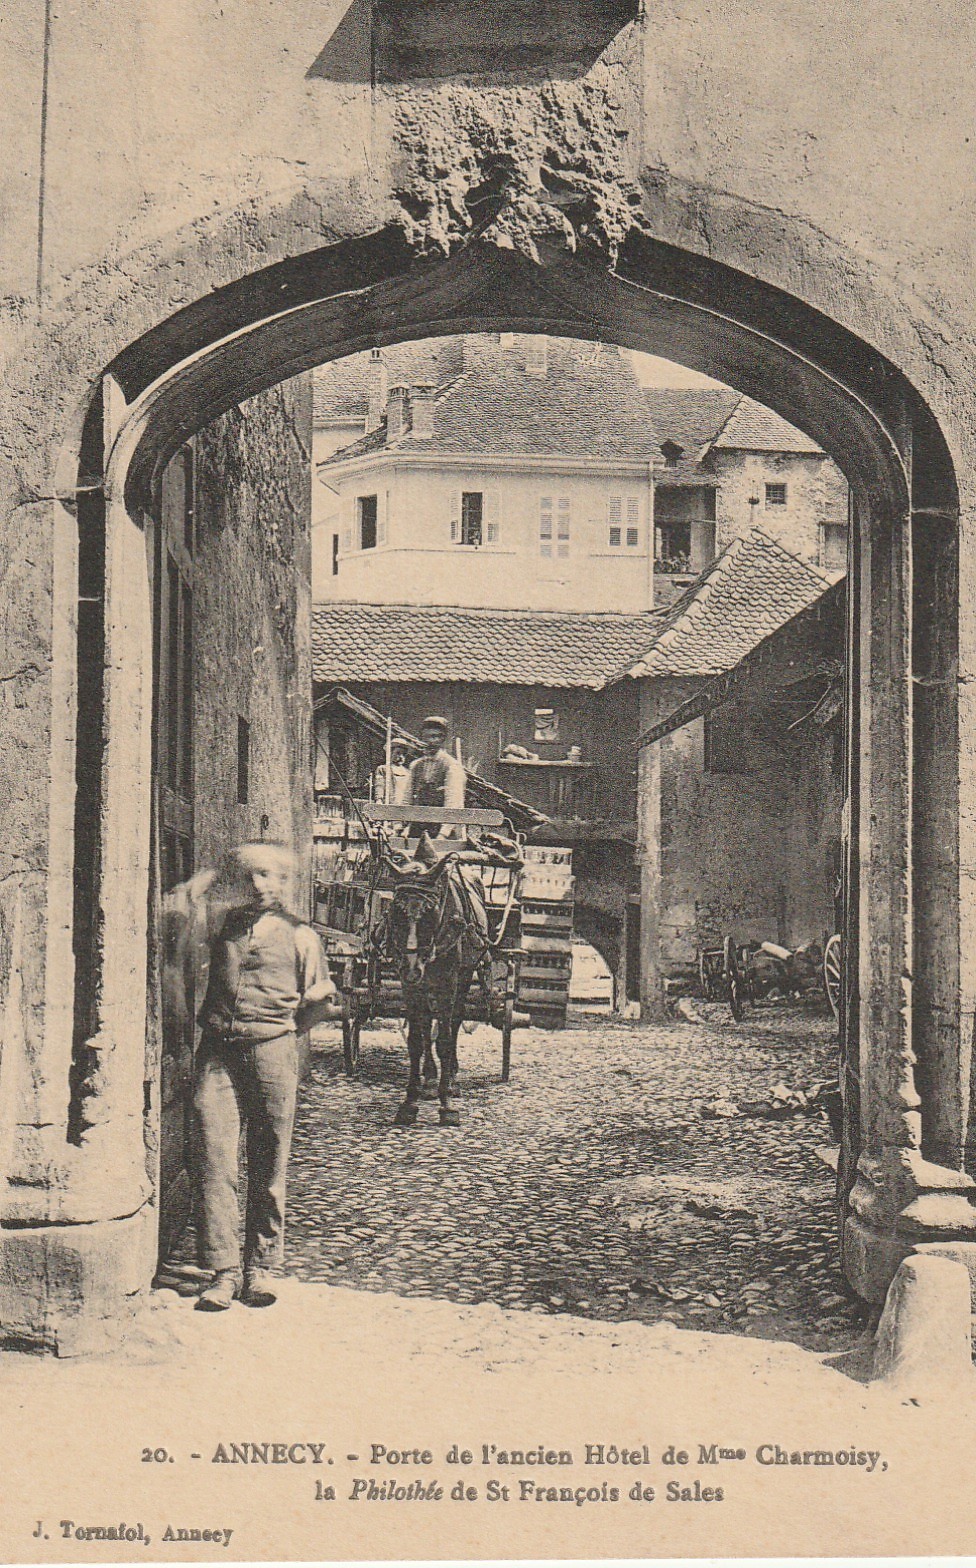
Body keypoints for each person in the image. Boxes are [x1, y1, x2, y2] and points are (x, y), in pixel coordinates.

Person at [192, 842, 337, 1311]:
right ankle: (222, 1270)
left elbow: (320, 1000)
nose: (259, 885)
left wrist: (289, 1033)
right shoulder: (221, 927)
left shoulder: (302, 937)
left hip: (271, 1052)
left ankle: (260, 1266)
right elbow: (187, 966)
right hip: (216, 1053)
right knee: (214, 1155)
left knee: (268, 1157)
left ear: (283, 884)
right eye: (251, 876)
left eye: (269, 876)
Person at [401, 715, 465, 839]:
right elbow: (407, 799)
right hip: (417, 828)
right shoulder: (415, 766)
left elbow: (454, 803)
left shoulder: (451, 766)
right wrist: (402, 826)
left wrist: (443, 834)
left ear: (443, 739)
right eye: (426, 737)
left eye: (435, 737)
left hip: (441, 831)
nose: (430, 741)